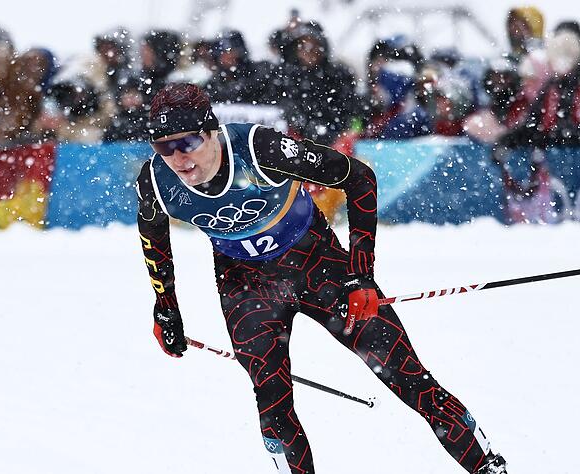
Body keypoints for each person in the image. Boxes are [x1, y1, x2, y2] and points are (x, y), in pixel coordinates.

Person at [135, 82, 508, 474]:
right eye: (164, 146)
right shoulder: (157, 182)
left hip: (316, 264)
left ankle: (487, 466)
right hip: (246, 287)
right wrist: (166, 312)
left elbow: (359, 178)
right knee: (273, 403)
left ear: (211, 131)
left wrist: (361, 277)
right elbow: (154, 241)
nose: (178, 157)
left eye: (188, 142)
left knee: (406, 375)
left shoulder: (261, 150)